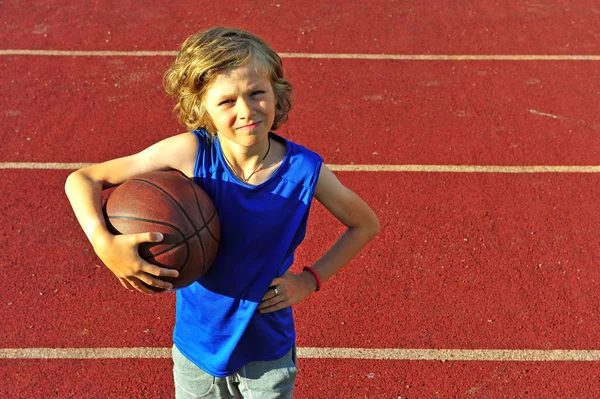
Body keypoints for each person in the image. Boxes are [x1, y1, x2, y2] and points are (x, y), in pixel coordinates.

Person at [65, 26, 379, 398]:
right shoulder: (191, 154)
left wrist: (310, 280)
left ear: (276, 93)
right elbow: (83, 180)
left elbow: (364, 224)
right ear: (203, 110)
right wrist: (104, 244)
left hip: (268, 351)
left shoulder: (304, 170)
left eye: (257, 93)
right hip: (198, 349)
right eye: (227, 101)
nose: (246, 110)